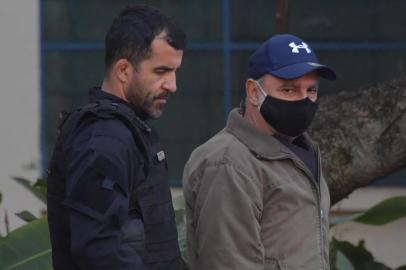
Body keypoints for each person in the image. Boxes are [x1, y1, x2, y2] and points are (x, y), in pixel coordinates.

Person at [47, 5, 186, 270]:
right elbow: (98, 251)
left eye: (175, 71)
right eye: (161, 71)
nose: (172, 85)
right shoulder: (104, 140)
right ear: (123, 70)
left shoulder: (125, 132)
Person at [183, 34, 336, 270]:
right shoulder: (229, 162)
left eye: (311, 90)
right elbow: (227, 263)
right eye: (288, 90)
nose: (303, 100)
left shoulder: (302, 150)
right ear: (254, 92)